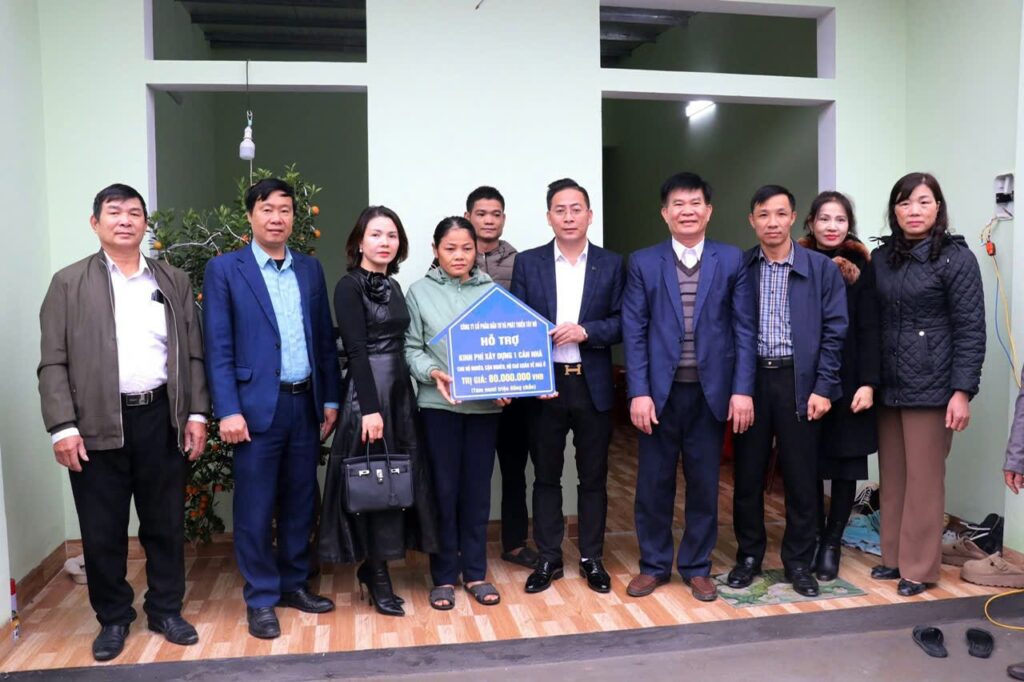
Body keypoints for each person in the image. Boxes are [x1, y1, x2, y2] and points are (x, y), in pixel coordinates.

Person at [37, 183, 209, 661]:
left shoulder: (172, 280)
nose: (125, 220)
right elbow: (52, 362)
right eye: (114, 212)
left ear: (145, 223)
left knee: (165, 524)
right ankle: (113, 618)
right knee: (102, 530)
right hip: (95, 425)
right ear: (95, 223)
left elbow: (193, 353)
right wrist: (62, 426)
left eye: (134, 212)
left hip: (161, 417)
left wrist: (196, 413)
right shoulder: (68, 283)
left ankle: (166, 610)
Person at [202, 178, 340, 639]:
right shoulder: (225, 270)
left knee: (301, 499)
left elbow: (323, 338)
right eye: (267, 209)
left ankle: (293, 583)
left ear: (294, 217)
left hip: (305, 403)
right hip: (254, 409)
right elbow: (218, 346)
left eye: (285, 209)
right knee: (256, 507)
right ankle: (261, 596)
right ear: (250, 216)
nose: (276, 218)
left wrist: (330, 398)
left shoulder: (310, 269)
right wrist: (228, 410)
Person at [622, 172, 756, 602]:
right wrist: (638, 391)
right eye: (678, 204)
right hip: (658, 394)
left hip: (710, 393)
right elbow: (634, 331)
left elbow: (744, 328)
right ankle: (654, 564)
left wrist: (742, 389)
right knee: (653, 484)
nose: (687, 211)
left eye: (695, 203)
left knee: (704, 483)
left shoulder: (731, 259)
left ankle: (697, 566)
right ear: (665, 213)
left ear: (709, 211)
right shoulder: (643, 262)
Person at [318, 206, 439, 617]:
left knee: (397, 481)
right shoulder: (347, 286)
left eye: (391, 235)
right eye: (376, 234)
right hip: (368, 395)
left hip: (399, 391)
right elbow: (355, 351)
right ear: (359, 242)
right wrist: (369, 410)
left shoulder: (394, 285)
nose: (384, 242)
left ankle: (377, 568)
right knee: (373, 480)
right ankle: (377, 573)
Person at [729, 185, 848, 598]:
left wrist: (824, 387)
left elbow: (835, 332)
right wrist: (738, 388)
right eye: (764, 214)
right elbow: (729, 331)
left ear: (794, 218)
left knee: (801, 478)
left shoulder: (821, 269)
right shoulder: (741, 267)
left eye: (780, 214)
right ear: (752, 221)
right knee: (747, 476)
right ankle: (749, 557)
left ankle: (798, 562)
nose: (773, 222)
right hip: (753, 382)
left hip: (801, 382)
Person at [871, 172, 985, 596]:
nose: (913, 211)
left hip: (934, 388)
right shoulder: (881, 258)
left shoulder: (957, 259)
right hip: (889, 385)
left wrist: (962, 392)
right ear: (894, 211)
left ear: (938, 207)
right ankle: (893, 557)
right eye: (904, 203)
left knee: (925, 480)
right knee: (893, 476)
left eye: (923, 202)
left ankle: (918, 568)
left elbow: (971, 330)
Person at [511, 178, 624, 595]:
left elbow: (623, 322)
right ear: (549, 217)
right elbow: (519, 324)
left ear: (590, 215)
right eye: (560, 210)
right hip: (547, 387)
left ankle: (592, 558)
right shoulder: (529, 263)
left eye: (577, 209)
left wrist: (585, 331)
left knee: (593, 478)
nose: (569, 216)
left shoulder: (612, 263)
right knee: (545, 477)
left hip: (592, 385)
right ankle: (549, 557)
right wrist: (532, 375)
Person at [405, 216, 507, 610]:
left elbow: (505, 346)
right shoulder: (419, 292)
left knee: (477, 493)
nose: (459, 255)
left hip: (485, 409)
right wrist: (432, 372)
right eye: (450, 248)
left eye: (467, 248)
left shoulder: (491, 291)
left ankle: (476, 573)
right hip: (438, 407)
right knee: (443, 492)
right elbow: (411, 348)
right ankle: (444, 576)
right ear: (435, 250)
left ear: (477, 250)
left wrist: (507, 384)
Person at [798, 191, 880, 582]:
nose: (832, 226)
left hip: (849, 379)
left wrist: (869, 383)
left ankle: (832, 543)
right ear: (811, 222)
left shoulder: (864, 267)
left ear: (849, 225)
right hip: (804, 378)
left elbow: (870, 329)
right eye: (825, 219)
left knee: (846, 464)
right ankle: (813, 537)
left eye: (840, 219)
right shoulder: (795, 261)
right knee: (808, 463)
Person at [466, 186, 537, 569]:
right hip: (468, 387)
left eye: (495, 214)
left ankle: (514, 543)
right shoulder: (452, 257)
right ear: (469, 217)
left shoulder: (521, 262)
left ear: (504, 219)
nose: (489, 220)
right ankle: (462, 548)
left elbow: (528, 319)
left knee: (514, 470)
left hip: (513, 389)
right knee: (468, 474)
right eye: (481, 213)